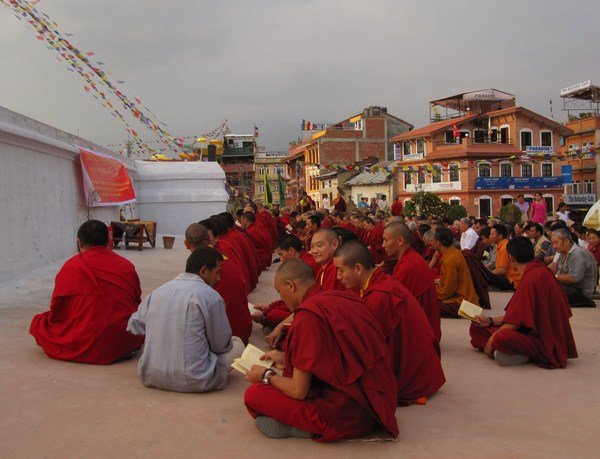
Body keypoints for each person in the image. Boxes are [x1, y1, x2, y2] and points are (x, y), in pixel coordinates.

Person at [243, 259, 399, 441]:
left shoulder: (307, 317)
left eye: (280, 291)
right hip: (377, 404)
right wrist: (288, 359)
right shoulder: (344, 297)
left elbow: (297, 391)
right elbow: (335, 354)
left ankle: (302, 426)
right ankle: (292, 423)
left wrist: (266, 375)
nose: (281, 297)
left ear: (290, 285)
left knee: (254, 394)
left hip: (343, 416)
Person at [333, 242, 445, 405]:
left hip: (414, 376)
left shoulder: (379, 297)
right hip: (425, 366)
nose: (338, 277)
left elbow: (367, 347)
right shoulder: (376, 280)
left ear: (358, 268)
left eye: (341, 270)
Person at [127, 247, 244, 391]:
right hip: (196, 379)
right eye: (217, 272)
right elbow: (220, 346)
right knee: (237, 344)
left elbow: (134, 325)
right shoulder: (211, 296)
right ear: (204, 271)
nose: (219, 278)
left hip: (151, 375)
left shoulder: (157, 292)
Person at [30, 220, 144, 365]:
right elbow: (135, 301)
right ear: (108, 241)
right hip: (122, 341)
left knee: (39, 323)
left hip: (84, 339)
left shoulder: (72, 266)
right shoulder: (126, 265)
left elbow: (58, 310)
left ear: (79, 242)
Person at [470, 236, 578, 368]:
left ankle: (523, 353)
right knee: (477, 326)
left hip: (543, 340)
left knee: (501, 337)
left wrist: (491, 342)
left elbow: (514, 323)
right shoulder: (536, 270)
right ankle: (511, 350)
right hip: (527, 330)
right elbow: (518, 316)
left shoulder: (533, 277)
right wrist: (490, 320)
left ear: (511, 257)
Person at [185, 223, 252, 343]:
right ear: (210, 239)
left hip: (229, 337)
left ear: (186, 244)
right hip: (243, 330)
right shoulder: (223, 257)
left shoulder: (202, 266)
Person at [382, 222, 441, 344]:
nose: (383, 245)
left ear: (399, 240)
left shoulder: (408, 265)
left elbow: (394, 305)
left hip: (420, 335)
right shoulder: (408, 259)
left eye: (386, 240)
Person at [252, 235, 319, 330]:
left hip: (309, 309)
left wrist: (267, 313)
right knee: (273, 311)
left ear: (291, 251)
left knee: (274, 314)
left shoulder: (307, 265)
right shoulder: (303, 260)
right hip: (303, 303)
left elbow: (300, 301)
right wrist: (269, 306)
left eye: (281, 254)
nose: (281, 259)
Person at [433, 228, 480, 317]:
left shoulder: (450, 260)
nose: (432, 243)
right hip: (465, 301)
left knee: (427, 304)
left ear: (438, 243)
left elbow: (447, 292)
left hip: (464, 305)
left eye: (433, 240)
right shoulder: (454, 252)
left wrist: (432, 291)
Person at [549, 229, 597, 308]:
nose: (554, 246)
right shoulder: (562, 251)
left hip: (580, 292)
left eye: (556, 243)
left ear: (567, 241)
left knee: (547, 291)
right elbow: (553, 267)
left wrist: (553, 276)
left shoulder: (577, 253)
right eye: (553, 243)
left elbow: (574, 278)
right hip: (568, 287)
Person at [486, 224, 520, 290]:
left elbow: (502, 270)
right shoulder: (501, 245)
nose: (490, 236)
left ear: (500, 236)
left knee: (482, 276)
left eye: (492, 234)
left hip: (511, 280)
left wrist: (488, 274)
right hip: (507, 277)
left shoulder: (504, 247)